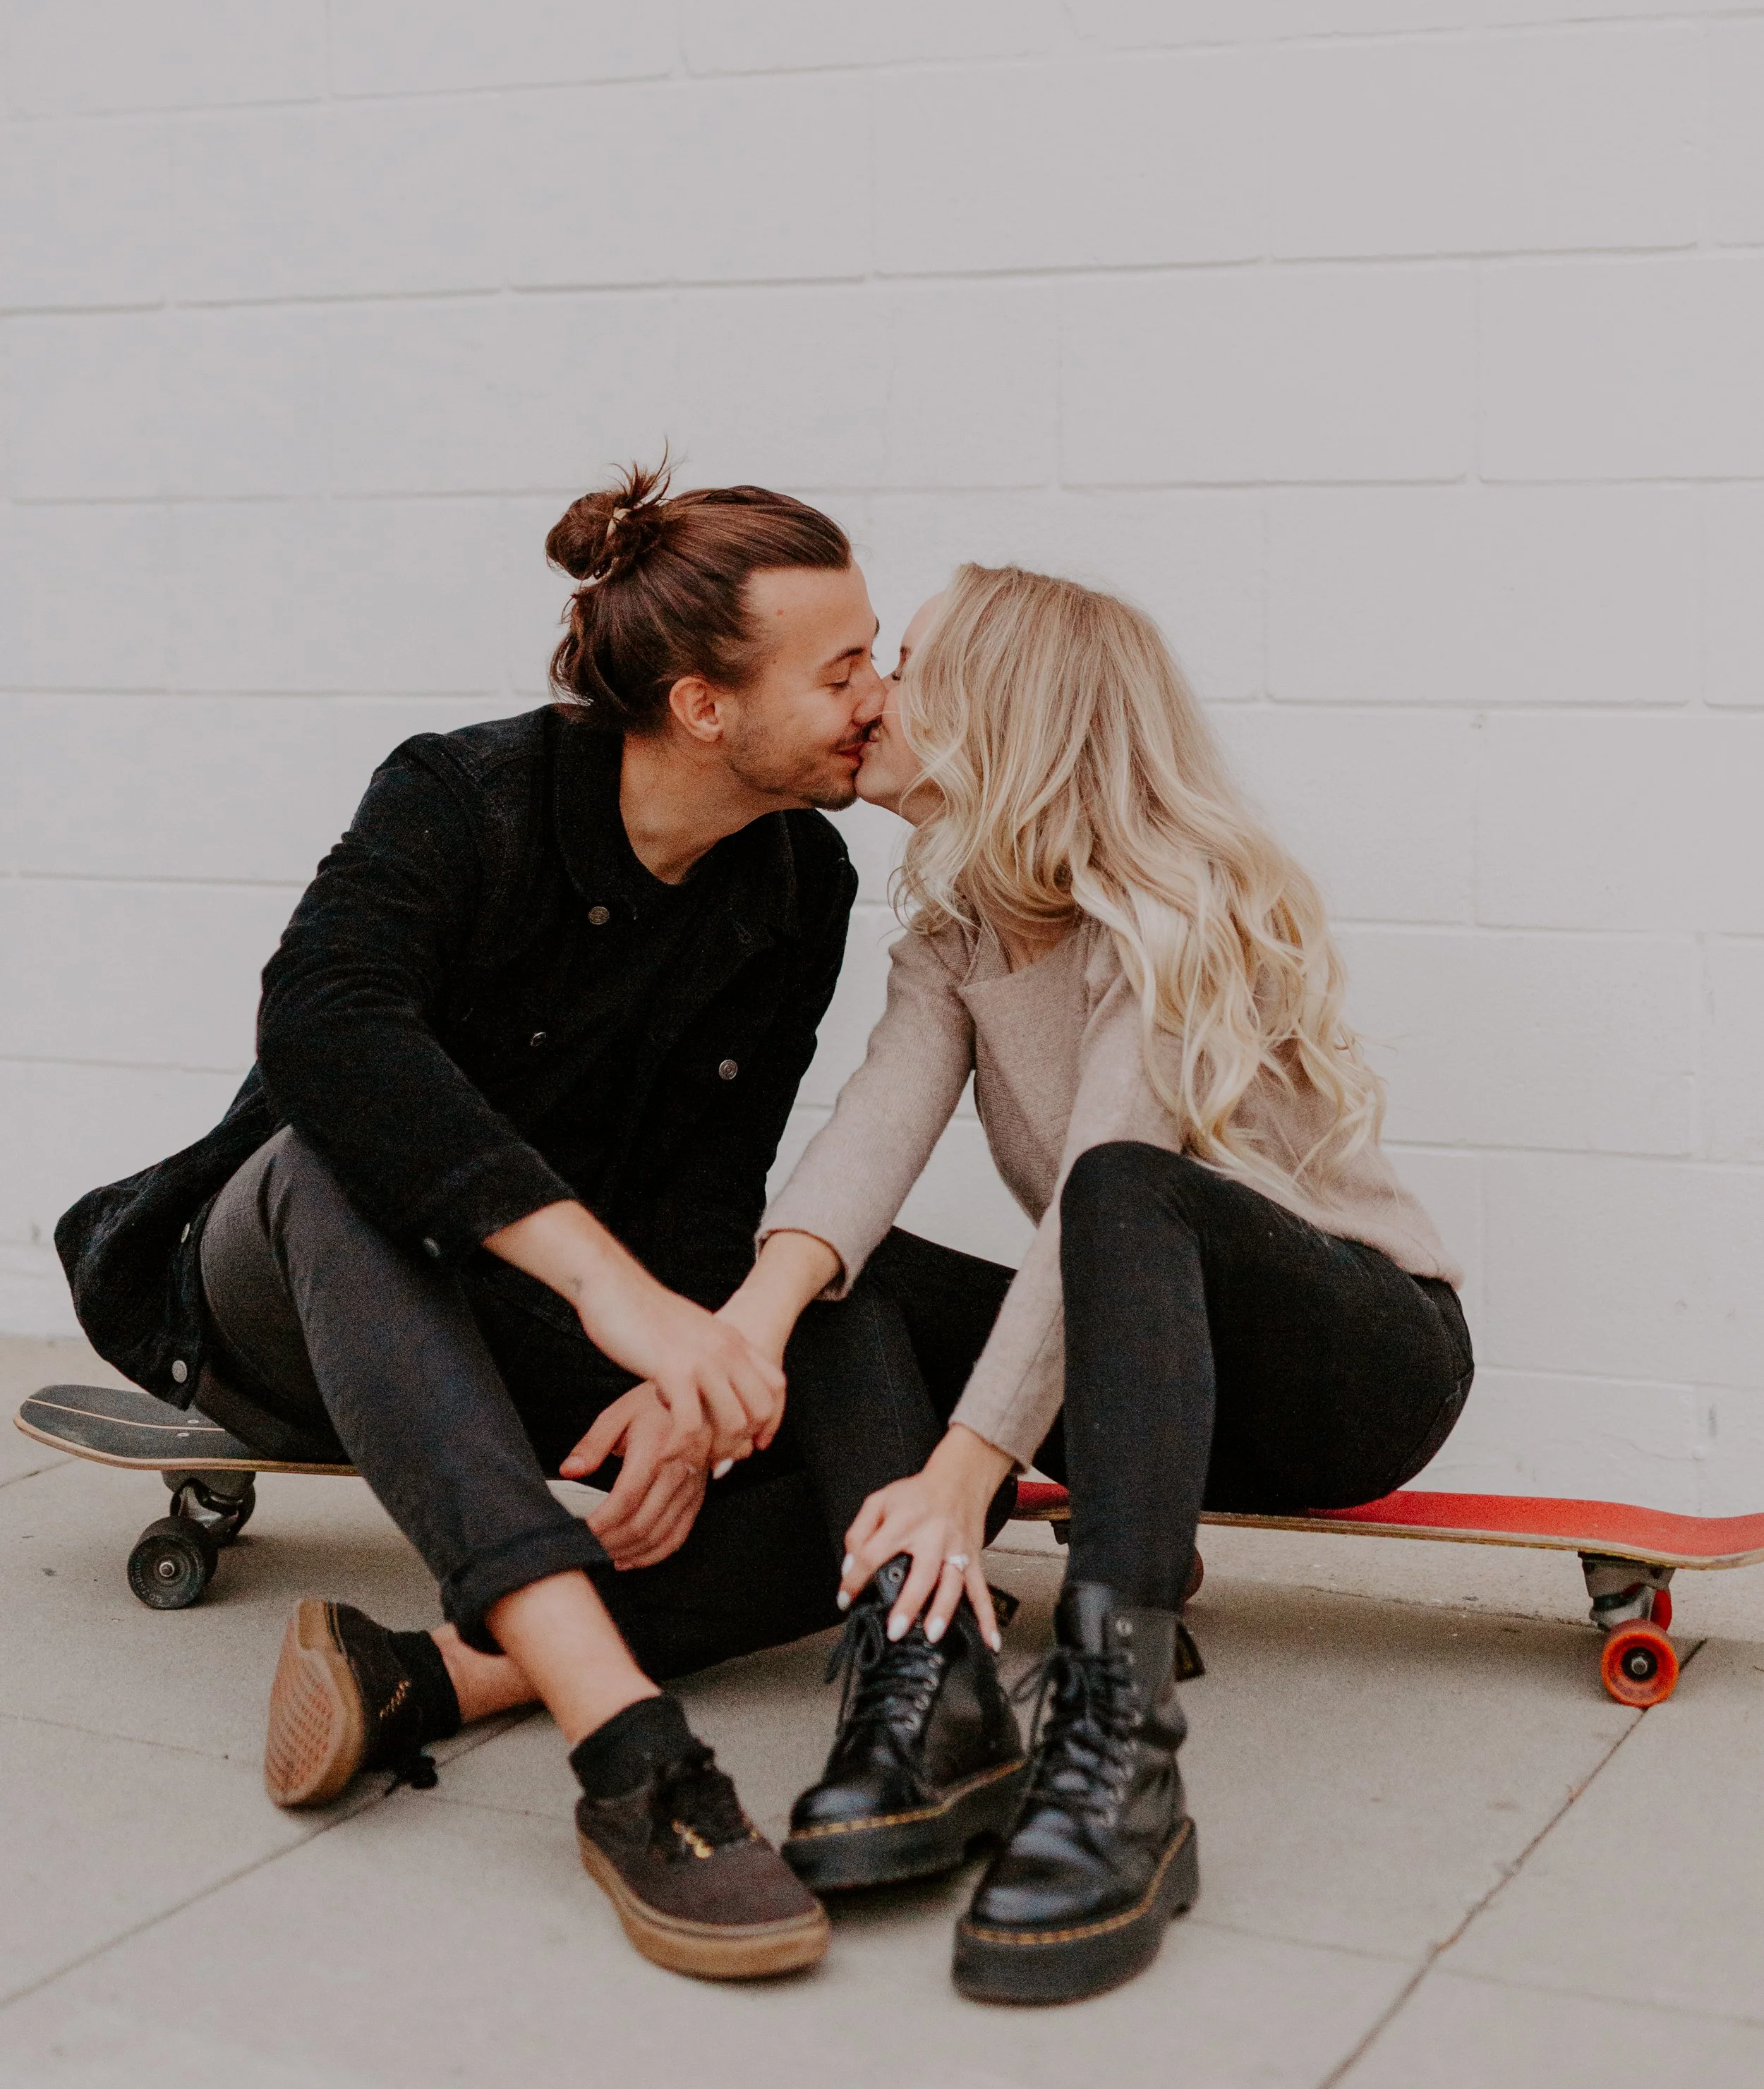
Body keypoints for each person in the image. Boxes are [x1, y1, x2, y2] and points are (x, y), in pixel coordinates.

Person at [57, 464, 895, 1983]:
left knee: (844, 1406)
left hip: (530, 1341)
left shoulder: (799, 877)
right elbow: (323, 1027)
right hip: (284, 1296)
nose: (878, 698)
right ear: (705, 705)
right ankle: (635, 1760)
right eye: (842, 670)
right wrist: (615, 1297)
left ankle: (425, 1681)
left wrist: (678, 1399)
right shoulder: (461, 791)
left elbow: (719, 1181)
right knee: (342, 1158)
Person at [727, 564, 1474, 2006]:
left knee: (1122, 1189)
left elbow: (1103, 1188)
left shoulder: (1165, 907)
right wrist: (748, 1334)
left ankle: (1117, 1762)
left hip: (1354, 1363)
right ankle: (925, 1680)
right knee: (839, 1278)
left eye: (908, 663)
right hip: (1148, 1383)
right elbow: (868, 1138)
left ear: (1006, 711)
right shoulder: (952, 939)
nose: (869, 688)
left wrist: (966, 1466)